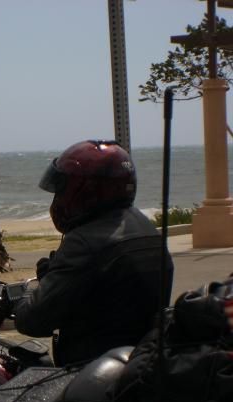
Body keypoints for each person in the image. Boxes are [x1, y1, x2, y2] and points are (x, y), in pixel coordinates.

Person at [12, 140, 174, 366]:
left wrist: (30, 294)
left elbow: (32, 321)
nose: (57, 198)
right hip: (141, 365)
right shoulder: (147, 230)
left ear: (84, 190)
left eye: (61, 189)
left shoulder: (84, 243)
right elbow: (109, 296)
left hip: (92, 378)